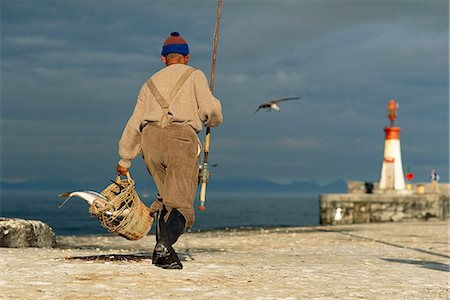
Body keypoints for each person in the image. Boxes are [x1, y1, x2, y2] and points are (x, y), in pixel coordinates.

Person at [116, 32, 223, 269]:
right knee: (181, 202)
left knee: (167, 197)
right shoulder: (195, 75)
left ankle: (161, 254)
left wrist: (125, 157)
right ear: (186, 57)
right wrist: (215, 109)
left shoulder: (149, 83)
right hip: (180, 139)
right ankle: (164, 245)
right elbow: (211, 114)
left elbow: (135, 121)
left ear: (164, 59)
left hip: (150, 142)